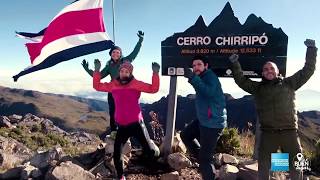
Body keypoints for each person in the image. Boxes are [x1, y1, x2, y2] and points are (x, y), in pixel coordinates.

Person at [229, 39, 317, 180]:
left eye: (271, 68)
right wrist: (235, 63)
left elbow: (308, 70)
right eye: (266, 69)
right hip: (268, 133)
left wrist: (311, 49)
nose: (269, 71)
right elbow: (241, 80)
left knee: (297, 164)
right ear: (263, 73)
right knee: (264, 165)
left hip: (289, 132)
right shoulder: (258, 88)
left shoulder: (290, 83)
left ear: (277, 71)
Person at [93, 60, 160, 180]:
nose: (124, 73)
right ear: (119, 72)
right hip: (122, 126)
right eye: (122, 71)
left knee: (150, 151)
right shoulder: (114, 84)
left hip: (137, 124)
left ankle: (152, 167)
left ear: (130, 73)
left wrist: (155, 73)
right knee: (117, 153)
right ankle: (121, 177)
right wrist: (97, 71)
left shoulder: (135, 83)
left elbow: (153, 89)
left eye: (127, 72)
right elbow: (97, 86)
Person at [82, 31, 144, 138]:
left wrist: (140, 40)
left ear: (120, 54)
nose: (115, 54)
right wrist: (87, 69)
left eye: (117, 52)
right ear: (110, 54)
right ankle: (114, 131)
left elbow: (135, 53)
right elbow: (99, 76)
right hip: (113, 91)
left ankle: (127, 131)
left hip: (126, 91)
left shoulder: (125, 61)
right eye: (113, 52)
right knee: (113, 112)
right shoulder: (109, 65)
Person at [180, 55, 227, 180]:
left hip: (213, 123)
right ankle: (204, 162)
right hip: (205, 120)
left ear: (206, 65)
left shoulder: (211, 77)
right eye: (194, 65)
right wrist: (194, 78)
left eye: (199, 64)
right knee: (185, 135)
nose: (196, 67)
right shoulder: (203, 77)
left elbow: (208, 92)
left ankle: (280, 174)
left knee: (205, 158)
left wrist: (192, 77)